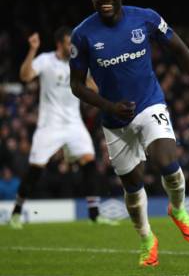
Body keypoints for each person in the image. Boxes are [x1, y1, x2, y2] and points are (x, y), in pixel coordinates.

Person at [69, 0, 189, 266]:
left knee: (168, 162)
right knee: (133, 186)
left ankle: (178, 210)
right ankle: (147, 238)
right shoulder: (83, 34)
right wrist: (109, 107)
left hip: (150, 104)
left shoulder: (145, 19)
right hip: (115, 121)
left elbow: (180, 50)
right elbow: (76, 85)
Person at [9, 28, 117, 229]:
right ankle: (16, 212)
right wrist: (32, 49)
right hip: (49, 125)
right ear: (59, 43)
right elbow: (25, 76)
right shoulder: (45, 60)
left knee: (89, 162)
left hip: (74, 123)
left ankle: (94, 214)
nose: (72, 47)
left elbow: (93, 88)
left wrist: (94, 73)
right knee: (36, 168)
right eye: (69, 43)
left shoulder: (77, 62)